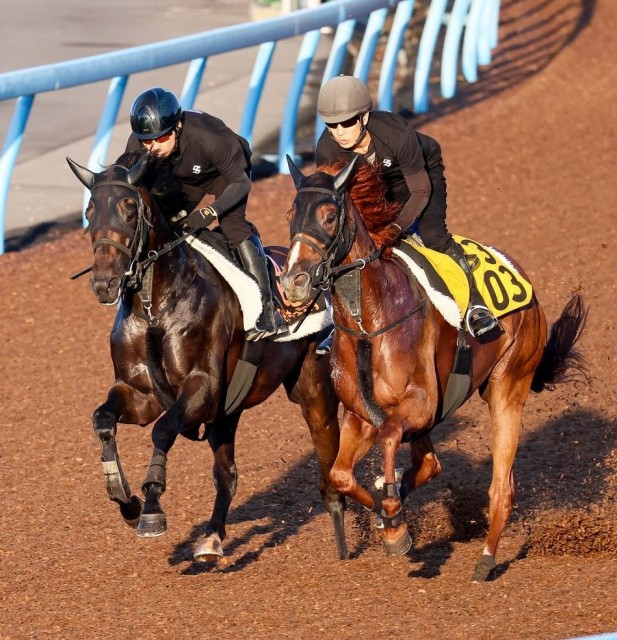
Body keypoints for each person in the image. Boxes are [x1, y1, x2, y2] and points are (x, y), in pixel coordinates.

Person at [314, 75, 498, 353]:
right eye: (331, 125)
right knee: (346, 248)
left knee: (434, 236)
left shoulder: (395, 133)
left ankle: (475, 305)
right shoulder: (326, 150)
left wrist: (394, 230)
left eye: (348, 122)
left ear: (364, 117)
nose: (339, 132)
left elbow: (421, 191)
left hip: (418, 179)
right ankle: (339, 327)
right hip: (372, 184)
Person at [125, 86, 285, 339]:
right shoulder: (137, 146)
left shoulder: (210, 138)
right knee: (164, 224)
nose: (153, 147)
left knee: (233, 227)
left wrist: (210, 212)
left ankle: (267, 310)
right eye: (147, 141)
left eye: (162, 138)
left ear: (177, 126)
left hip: (224, 176)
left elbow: (242, 183)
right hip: (182, 177)